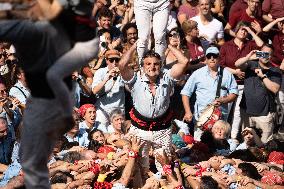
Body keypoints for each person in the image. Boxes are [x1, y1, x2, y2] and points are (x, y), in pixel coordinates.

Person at [118, 43, 188, 173]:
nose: (152, 67)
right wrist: (134, 46)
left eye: (155, 64)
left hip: (162, 129)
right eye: (148, 64)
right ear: (142, 67)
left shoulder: (167, 76)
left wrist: (169, 44)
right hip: (140, 129)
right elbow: (121, 65)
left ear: (160, 65)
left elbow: (184, 61)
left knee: (165, 165)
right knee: (139, 165)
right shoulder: (135, 78)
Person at [181, 46, 238, 140]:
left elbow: (234, 93)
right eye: (209, 56)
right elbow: (185, 93)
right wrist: (187, 112)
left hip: (220, 120)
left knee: (219, 148)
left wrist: (224, 100)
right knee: (200, 147)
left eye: (215, 56)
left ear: (219, 58)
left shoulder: (227, 74)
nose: (212, 58)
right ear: (205, 59)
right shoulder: (197, 74)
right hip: (202, 119)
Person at [219, 21, 263, 142]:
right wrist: (235, 72)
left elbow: (261, 44)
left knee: (238, 113)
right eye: (241, 29)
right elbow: (221, 65)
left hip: (244, 84)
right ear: (236, 30)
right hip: (228, 83)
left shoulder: (250, 45)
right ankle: (221, 137)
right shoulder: (226, 46)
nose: (243, 32)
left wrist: (250, 31)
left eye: (245, 30)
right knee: (225, 111)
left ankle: (233, 138)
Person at [235, 44, 282, 143]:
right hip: (246, 112)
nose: (266, 56)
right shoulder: (251, 64)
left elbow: (275, 89)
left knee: (264, 144)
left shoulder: (275, 70)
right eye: (264, 53)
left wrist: (263, 76)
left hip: (264, 114)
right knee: (247, 143)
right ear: (259, 53)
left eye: (269, 54)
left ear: (271, 56)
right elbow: (237, 64)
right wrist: (248, 57)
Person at [92, 49, 125, 130]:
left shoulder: (123, 72)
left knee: (118, 137)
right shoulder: (100, 72)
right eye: (111, 60)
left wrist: (123, 74)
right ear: (106, 61)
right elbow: (94, 91)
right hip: (102, 110)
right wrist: (107, 78)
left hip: (118, 110)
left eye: (117, 60)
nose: (114, 62)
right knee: (101, 134)